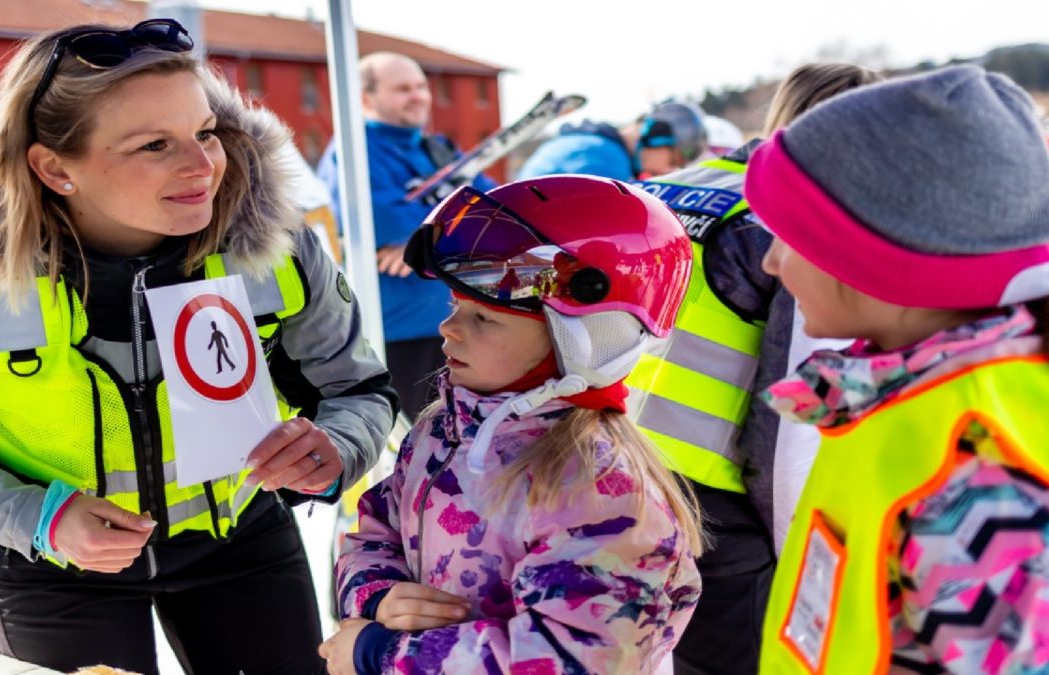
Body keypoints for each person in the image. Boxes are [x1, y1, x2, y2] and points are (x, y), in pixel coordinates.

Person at [0, 19, 395, 674]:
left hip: (241, 541)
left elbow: (359, 390)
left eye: (205, 133)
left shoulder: (273, 244)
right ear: (55, 168)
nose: (204, 166)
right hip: (49, 562)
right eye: (153, 146)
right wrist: (41, 517)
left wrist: (337, 446)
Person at [319, 175, 705, 675]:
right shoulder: (443, 430)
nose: (448, 328)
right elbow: (375, 527)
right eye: (457, 306)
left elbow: (572, 661)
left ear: (583, 338)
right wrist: (379, 595)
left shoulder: (599, 489)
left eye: (486, 319)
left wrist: (382, 656)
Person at [747, 65, 1049, 673]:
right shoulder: (887, 396)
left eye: (791, 237)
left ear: (877, 257)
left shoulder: (978, 486)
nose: (772, 264)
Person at [628, 62, 882, 675]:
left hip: (606, 464)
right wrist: (791, 539)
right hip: (712, 504)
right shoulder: (797, 218)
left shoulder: (661, 189)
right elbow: (789, 413)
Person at [318, 52, 496, 422]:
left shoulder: (439, 149)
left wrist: (423, 244)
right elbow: (382, 220)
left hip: (461, 319)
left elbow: (494, 212)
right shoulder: (355, 150)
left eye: (420, 87)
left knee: (469, 435)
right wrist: (438, 234)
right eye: (402, 89)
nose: (417, 96)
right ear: (367, 99)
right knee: (423, 441)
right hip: (399, 333)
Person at [516, 100, 707, 181]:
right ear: (656, 136)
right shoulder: (608, 161)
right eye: (674, 160)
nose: (669, 170)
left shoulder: (591, 143)